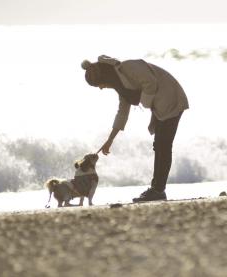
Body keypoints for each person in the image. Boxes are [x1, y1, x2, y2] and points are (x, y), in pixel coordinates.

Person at [81, 55, 189, 202]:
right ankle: (157, 189)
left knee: (163, 145)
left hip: (171, 98)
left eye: (99, 84)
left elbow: (150, 82)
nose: (101, 88)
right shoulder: (120, 85)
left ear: (104, 78)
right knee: (159, 146)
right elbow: (122, 113)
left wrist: (144, 102)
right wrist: (110, 140)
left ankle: (158, 190)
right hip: (161, 106)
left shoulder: (128, 67)